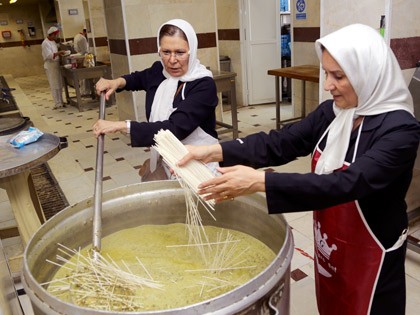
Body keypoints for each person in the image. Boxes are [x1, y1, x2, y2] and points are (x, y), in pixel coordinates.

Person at [178, 24, 420, 315]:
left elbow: (346, 184)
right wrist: (214, 151)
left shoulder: (400, 130)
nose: (328, 85)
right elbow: (282, 142)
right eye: (326, 73)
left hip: (372, 252)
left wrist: (260, 182)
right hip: (332, 245)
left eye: (339, 76)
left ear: (368, 74)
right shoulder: (335, 112)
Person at [93, 19, 218, 181]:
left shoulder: (203, 85)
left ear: (191, 51)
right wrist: (116, 82)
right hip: (168, 159)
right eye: (166, 52)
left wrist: (122, 126)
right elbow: (138, 78)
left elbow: (174, 129)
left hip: (199, 166)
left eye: (180, 52)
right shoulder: (160, 71)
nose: (172, 60)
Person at [42, 26, 66, 109]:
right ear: (51, 34)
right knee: (54, 84)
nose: (56, 37)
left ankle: (61, 101)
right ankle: (57, 102)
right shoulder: (45, 43)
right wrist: (59, 53)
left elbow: (55, 52)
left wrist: (60, 53)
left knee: (59, 83)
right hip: (50, 66)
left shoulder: (53, 42)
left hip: (56, 65)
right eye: (55, 35)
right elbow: (48, 55)